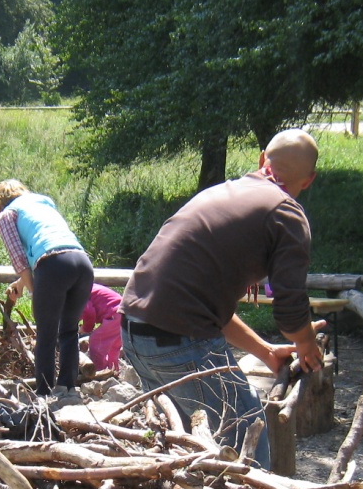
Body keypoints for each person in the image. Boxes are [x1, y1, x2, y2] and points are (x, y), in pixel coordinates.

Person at [120, 129, 324, 467]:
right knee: (247, 434)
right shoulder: (286, 213)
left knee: (189, 440)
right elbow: (290, 308)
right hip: (177, 341)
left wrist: (266, 351)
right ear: (309, 180)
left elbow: (201, 305)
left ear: (262, 160)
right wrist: (306, 343)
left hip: (134, 330)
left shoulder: (222, 194)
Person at [0, 179, 96, 396]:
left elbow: (19, 260)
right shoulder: (44, 203)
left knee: (46, 334)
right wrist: (22, 283)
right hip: (82, 263)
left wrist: (32, 289)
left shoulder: (6, 215)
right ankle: (67, 388)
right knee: (69, 330)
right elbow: (44, 247)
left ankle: (44, 393)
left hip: (52, 265)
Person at [81, 283, 123, 372]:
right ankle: (114, 370)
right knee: (113, 346)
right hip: (124, 312)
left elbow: (88, 313)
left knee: (96, 341)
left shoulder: (80, 292)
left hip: (114, 314)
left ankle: (99, 370)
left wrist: (85, 329)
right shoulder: (88, 286)